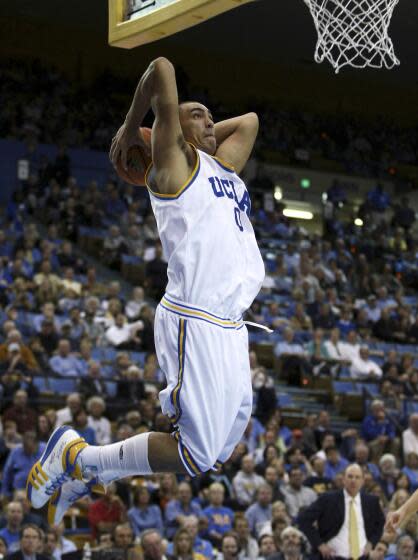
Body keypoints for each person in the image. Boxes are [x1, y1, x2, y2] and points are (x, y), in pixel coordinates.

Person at [27, 56, 266, 520]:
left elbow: (251, 122)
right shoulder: (173, 167)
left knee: (217, 455)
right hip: (194, 316)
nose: (212, 121)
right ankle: (77, 457)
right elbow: (160, 69)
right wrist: (137, 125)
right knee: (194, 454)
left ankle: (95, 471)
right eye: (200, 114)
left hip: (231, 325)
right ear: (170, 129)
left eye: (213, 117)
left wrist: (202, 126)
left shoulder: (222, 169)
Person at [298, 464, 385, 560]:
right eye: (350, 476)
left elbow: (380, 524)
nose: (353, 480)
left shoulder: (372, 501)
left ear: (362, 481)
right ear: (343, 479)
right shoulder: (327, 499)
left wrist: (372, 543)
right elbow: (303, 520)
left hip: (362, 557)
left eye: (357, 477)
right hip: (333, 557)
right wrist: (320, 545)